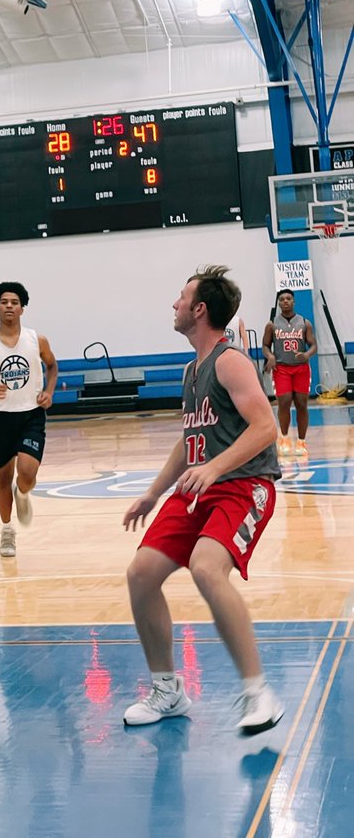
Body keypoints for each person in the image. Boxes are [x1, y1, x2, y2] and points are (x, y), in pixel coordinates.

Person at [122, 265, 283, 736]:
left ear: (200, 309)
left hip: (243, 485)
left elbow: (265, 428)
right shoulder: (193, 369)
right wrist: (153, 492)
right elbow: (190, 438)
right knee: (141, 574)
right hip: (197, 489)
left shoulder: (230, 361)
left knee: (206, 568)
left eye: (181, 297)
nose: (174, 304)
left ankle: (259, 694)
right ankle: (168, 690)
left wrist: (214, 467)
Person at [0, 282, 58, 557]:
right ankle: (7, 531)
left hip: (31, 415)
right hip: (0, 419)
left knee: (28, 474)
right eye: (4, 301)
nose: (9, 306)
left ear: (22, 308)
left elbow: (52, 366)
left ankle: (24, 493)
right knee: (2, 479)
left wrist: (49, 392)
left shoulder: (36, 339)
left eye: (14, 302)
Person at [262, 290, 317, 460]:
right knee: (284, 402)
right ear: (279, 303)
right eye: (282, 299)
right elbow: (265, 346)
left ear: (293, 301)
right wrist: (270, 356)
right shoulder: (272, 324)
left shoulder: (304, 322)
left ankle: (301, 442)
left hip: (301, 369)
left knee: (301, 403)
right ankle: (284, 439)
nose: (285, 302)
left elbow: (313, 345)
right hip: (282, 369)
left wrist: (307, 355)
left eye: (288, 299)